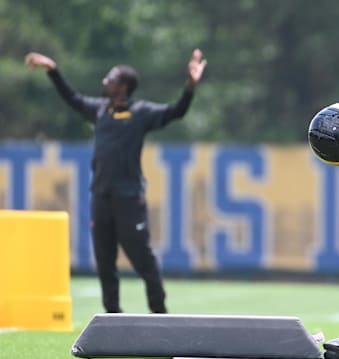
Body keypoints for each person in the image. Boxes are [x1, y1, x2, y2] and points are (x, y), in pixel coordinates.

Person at [24, 49, 207, 314]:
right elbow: (72, 99)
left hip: (128, 197)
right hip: (101, 196)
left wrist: (190, 86)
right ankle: (112, 317)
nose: (104, 82)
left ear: (123, 86)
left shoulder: (140, 112)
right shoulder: (99, 111)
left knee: (141, 258)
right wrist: (53, 70)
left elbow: (176, 112)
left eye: (110, 79)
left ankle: (160, 313)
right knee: (104, 260)